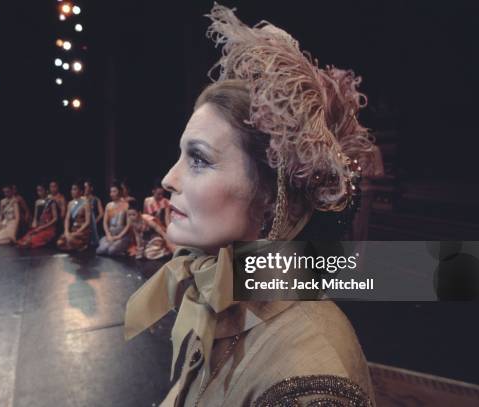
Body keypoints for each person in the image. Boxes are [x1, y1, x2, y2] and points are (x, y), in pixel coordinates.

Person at [124, 5, 377, 406]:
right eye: (180, 155)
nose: (168, 179)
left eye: (199, 159)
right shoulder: (225, 301)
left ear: (269, 198)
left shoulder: (310, 377)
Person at [17, 184, 58, 248]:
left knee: (31, 241)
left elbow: (55, 218)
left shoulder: (51, 202)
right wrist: (34, 225)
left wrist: (42, 227)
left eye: (41, 190)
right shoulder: (37, 202)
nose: (39, 192)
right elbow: (35, 217)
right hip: (39, 226)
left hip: (48, 228)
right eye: (38, 191)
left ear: (46, 191)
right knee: (25, 238)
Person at [96, 182, 130, 256]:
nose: (112, 194)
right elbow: (105, 223)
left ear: (120, 192)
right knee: (101, 250)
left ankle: (121, 249)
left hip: (121, 236)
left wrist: (119, 236)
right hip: (110, 234)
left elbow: (128, 225)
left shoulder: (126, 205)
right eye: (111, 192)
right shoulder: (109, 206)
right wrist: (108, 235)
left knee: (111, 251)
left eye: (114, 191)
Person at [57, 181, 91, 251]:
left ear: (81, 191)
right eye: (72, 189)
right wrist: (66, 231)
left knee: (69, 239)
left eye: (75, 189)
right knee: (59, 243)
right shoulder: (70, 203)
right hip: (73, 229)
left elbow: (88, 222)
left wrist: (78, 231)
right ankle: (74, 245)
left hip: (83, 230)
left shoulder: (86, 203)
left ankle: (82, 244)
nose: (72, 191)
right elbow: (67, 219)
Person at [84, 179, 104, 247]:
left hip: (93, 223)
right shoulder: (81, 199)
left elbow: (101, 213)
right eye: (83, 187)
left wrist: (94, 222)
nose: (84, 189)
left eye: (86, 187)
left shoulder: (96, 199)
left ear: (91, 188)